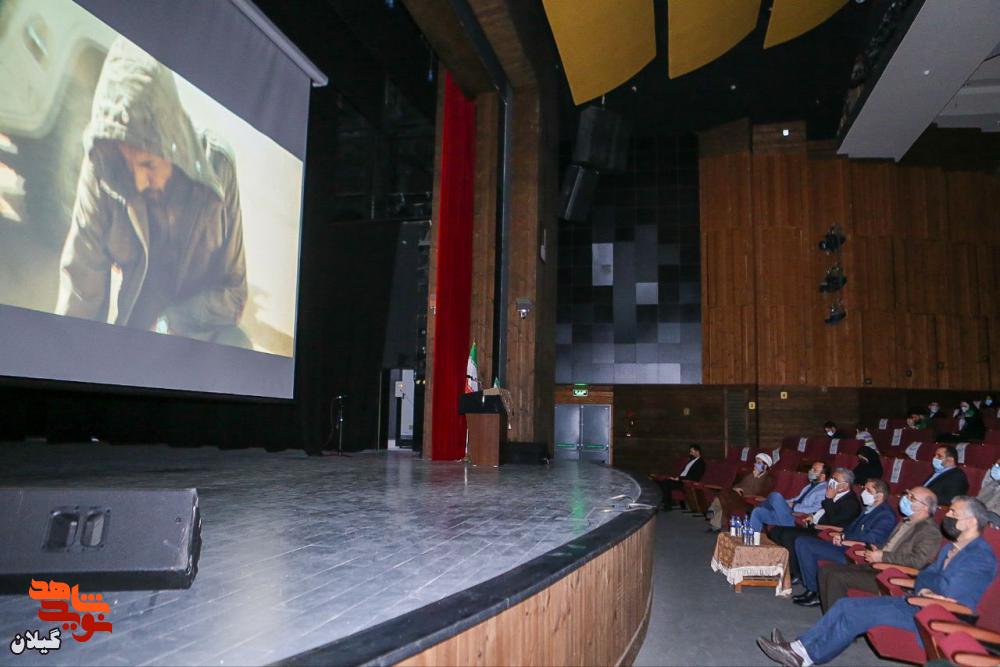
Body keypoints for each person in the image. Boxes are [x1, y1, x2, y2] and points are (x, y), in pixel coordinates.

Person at [56, 38, 250, 348]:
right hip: (134, 337)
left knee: (237, 345)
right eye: (127, 163)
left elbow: (234, 292)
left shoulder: (218, 167)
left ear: (172, 142)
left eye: (147, 163)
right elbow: (81, 286)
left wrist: (170, 324)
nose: (138, 182)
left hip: (194, 335)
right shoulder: (105, 169)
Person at [757, 497, 996, 667]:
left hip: (938, 618)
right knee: (845, 605)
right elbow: (926, 575)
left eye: (954, 513)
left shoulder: (980, 557)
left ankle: (805, 656)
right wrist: (925, 587)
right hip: (919, 601)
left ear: (972, 522)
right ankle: (799, 648)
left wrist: (929, 589)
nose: (949, 516)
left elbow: (954, 597)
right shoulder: (952, 548)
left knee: (855, 615)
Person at [818, 487, 941, 610]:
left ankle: (835, 623)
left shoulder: (929, 531)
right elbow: (890, 545)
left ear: (925, 507)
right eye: (907, 494)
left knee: (836, 577)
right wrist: (876, 550)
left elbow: (918, 561)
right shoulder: (906, 521)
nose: (906, 499)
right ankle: (831, 617)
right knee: (826, 570)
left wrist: (882, 556)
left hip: (894, 575)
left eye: (912, 498)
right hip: (879, 566)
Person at [790, 478, 897, 607]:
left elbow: (872, 539)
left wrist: (844, 537)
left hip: (854, 553)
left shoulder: (886, 515)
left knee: (805, 544)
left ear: (879, 496)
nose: (863, 492)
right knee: (802, 542)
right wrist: (841, 534)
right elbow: (850, 528)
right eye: (864, 488)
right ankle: (812, 589)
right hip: (845, 544)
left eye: (868, 490)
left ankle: (815, 592)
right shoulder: (869, 508)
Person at [768, 468, 861, 583]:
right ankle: (780, 567)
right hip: (814, 525)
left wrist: (829, 499)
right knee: (776, 531)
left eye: (836, 479)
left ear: (845, 485)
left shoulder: (851, 502)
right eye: (832, 478)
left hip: (825, 533)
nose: (831, 481)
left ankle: (796, 573)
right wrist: (813, 516)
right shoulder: (835, 494)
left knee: (788, 535)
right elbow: (822, 511)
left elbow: (833, 521)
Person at [748, 462, 830, 533]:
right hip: (787, 514)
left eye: (814, 470)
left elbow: (815, 509)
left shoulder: (824, 490)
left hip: (795, 516)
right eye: (811, 469)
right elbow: (795, 499)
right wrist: (781, 503)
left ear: (823, 476)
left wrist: (794, 506)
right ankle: (752, 543)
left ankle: (765, 505)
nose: (810, 471)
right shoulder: (810, 485)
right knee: (757, 512)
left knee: (775, 496)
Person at [705, 453, 775, 532]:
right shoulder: (750, 474)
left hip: (747, 499)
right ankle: (715, 519)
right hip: (738, 495)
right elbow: (740, 484)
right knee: (727, 493)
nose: (755, 464)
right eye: (756, 462)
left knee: (725, 498)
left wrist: (755, 478)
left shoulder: (768, 478)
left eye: (759, 463)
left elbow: (760, 492)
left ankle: (713, 511)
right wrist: (736, 488)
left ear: (765, 466)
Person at [653, 444, 705, 510]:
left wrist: (679, 479)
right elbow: (685, 472)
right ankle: (668, 501)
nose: (690, 453)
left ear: (697, 452)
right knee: (658, 481)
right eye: (690, 451)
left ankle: (668, 505)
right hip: (680, 480)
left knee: (666, 482)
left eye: (692, 451)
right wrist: (676, 478)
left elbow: (695, 477)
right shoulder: (691, 460)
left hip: (686, 483)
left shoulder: (701, 463)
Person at [978, 458, 1000, 526]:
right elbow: (979, 499)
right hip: (980, 513)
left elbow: (995, 515)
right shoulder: (994, 482)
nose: (996, 468)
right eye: (996, 465)